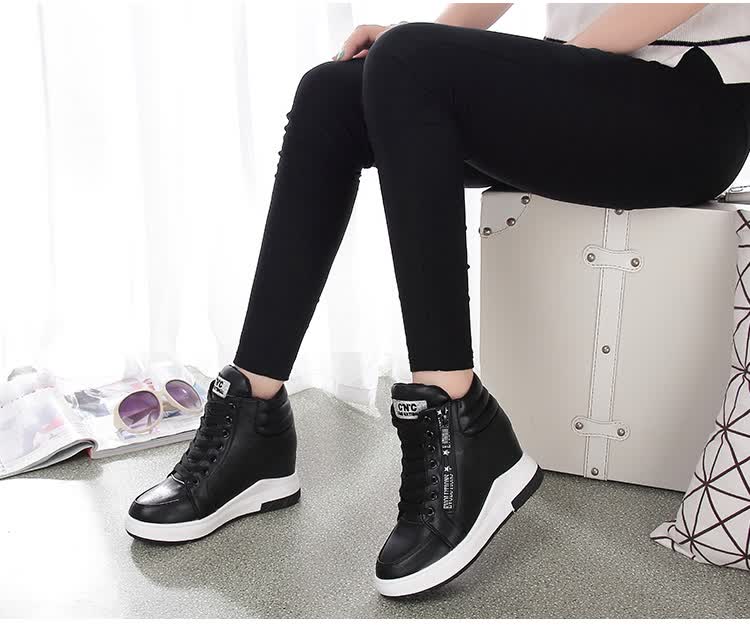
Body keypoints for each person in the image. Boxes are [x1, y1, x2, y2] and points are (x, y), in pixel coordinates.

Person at [124, 3, 750, 597]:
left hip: (688, 111)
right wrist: (418, 60)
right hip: (586, 89)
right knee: (330, 93)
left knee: (411, 58)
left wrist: (524, 75)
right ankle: (255, 420)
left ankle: (459, 418)